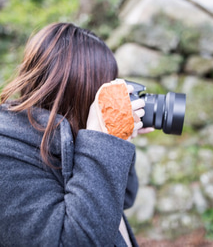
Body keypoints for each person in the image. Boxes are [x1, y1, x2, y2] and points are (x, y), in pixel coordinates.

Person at [0, 22, 153, 246]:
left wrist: (116, 139)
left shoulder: (66, 140)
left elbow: (123, 198)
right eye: (105, 85)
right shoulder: (7, 153)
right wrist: (102, 142)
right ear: (82, 91)